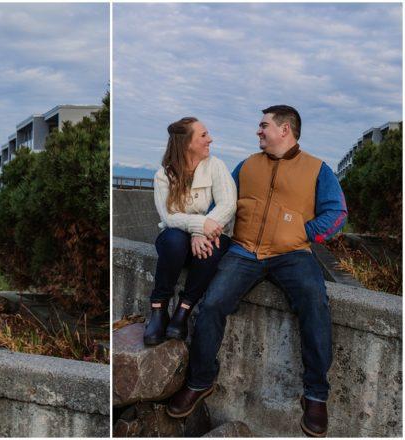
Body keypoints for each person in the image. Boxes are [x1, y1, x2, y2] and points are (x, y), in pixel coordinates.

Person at [167, 106, 347, 438]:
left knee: (315, 305)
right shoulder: (247, 165)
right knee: (212, 305)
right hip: (244, 250)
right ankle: (200, 381)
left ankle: (316, 395)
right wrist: (200, 231)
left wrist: (304, 233)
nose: (258, 131)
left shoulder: (318, 169)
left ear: (285, 129)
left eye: (264, 126)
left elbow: (337, 214)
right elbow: (220, 204)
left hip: (293, 254)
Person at [144, 117, 237, 345]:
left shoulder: (216, 166)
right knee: (174, 240)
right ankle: (159, 308)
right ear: (187, 143)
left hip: (213, 233)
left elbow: (228, 205)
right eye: (204, 135)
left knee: (210, 249)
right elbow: (168, 216)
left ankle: (183, 311)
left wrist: (202, 232)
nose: (210, 139)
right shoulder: (164, 175)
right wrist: (199, 226)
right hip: (177, 239)